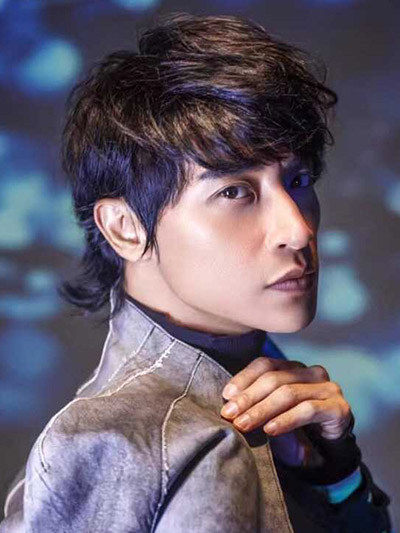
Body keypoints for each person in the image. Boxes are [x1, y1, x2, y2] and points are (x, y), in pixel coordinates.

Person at [1, 12, 392, 533]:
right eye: (234, 191)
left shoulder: (272, 407)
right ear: (124, 228)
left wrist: (337, 479)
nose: (297, 230)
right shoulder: (113, 439)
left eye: (298, 181)